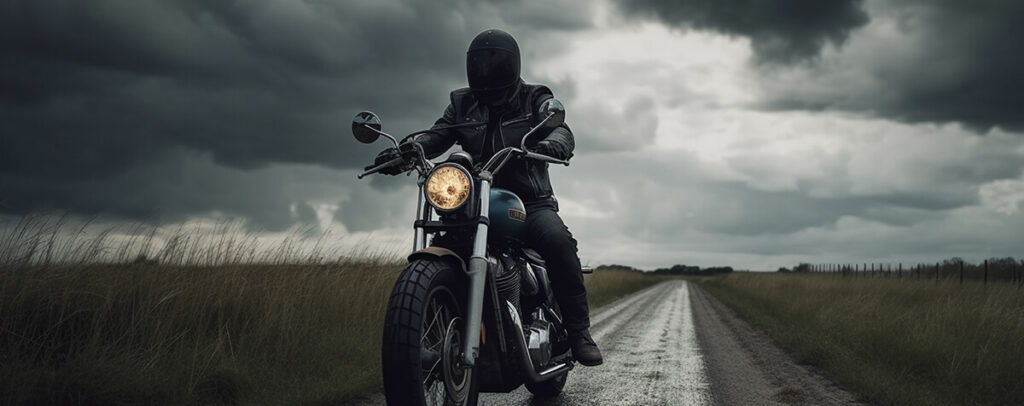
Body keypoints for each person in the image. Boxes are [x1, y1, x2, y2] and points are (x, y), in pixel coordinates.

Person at [371, 29, 602, 366]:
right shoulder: (462, 103)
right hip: (474, 199)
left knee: (557, 240)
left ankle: (579, 332)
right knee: (446, 241)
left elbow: (560, 129)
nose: (486, 78)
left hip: (529, 202)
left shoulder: (535, 97)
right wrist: (409, 149)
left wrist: (552, 144)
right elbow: (437, 135)